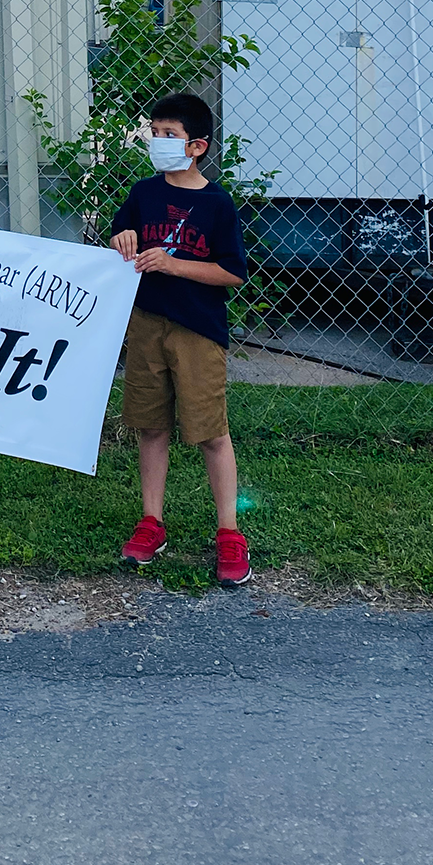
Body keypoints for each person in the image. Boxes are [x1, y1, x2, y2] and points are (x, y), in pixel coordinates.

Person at [110, 91, 252, 587]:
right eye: (155, 132)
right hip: (147, 325)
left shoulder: (216, 204)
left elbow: (233, 272)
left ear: (196, 146)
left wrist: (172, 264)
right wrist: (122, 240)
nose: (158, 141)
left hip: (197, 332)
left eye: (169, 135)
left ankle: (229, 532)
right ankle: (152, 522)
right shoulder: (144, 194)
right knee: (151, 426)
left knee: (211, 431)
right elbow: (119, 236)